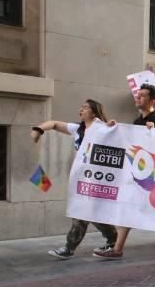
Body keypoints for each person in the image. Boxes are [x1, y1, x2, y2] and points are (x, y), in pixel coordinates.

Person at [31, 100, 118, 260]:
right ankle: (114, 240)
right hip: (83, 178)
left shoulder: (102, 128)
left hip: (98, 179)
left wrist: (112, 126)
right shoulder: (79, 129)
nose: (81, 109)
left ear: (94, 112)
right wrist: (39, 129)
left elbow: (117, 134)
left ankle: (69, 248)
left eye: (85, 108)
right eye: (81, 107)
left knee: (82, 211)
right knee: (92, 213)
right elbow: (55, 123)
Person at [94, 84, 155, 260]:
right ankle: (117, 249)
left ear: (153, 101)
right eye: (138, 95)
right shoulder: (137, 122)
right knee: (128, 208)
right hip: (139, 175)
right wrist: (113, 129)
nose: (138, 98)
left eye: (143, 95)